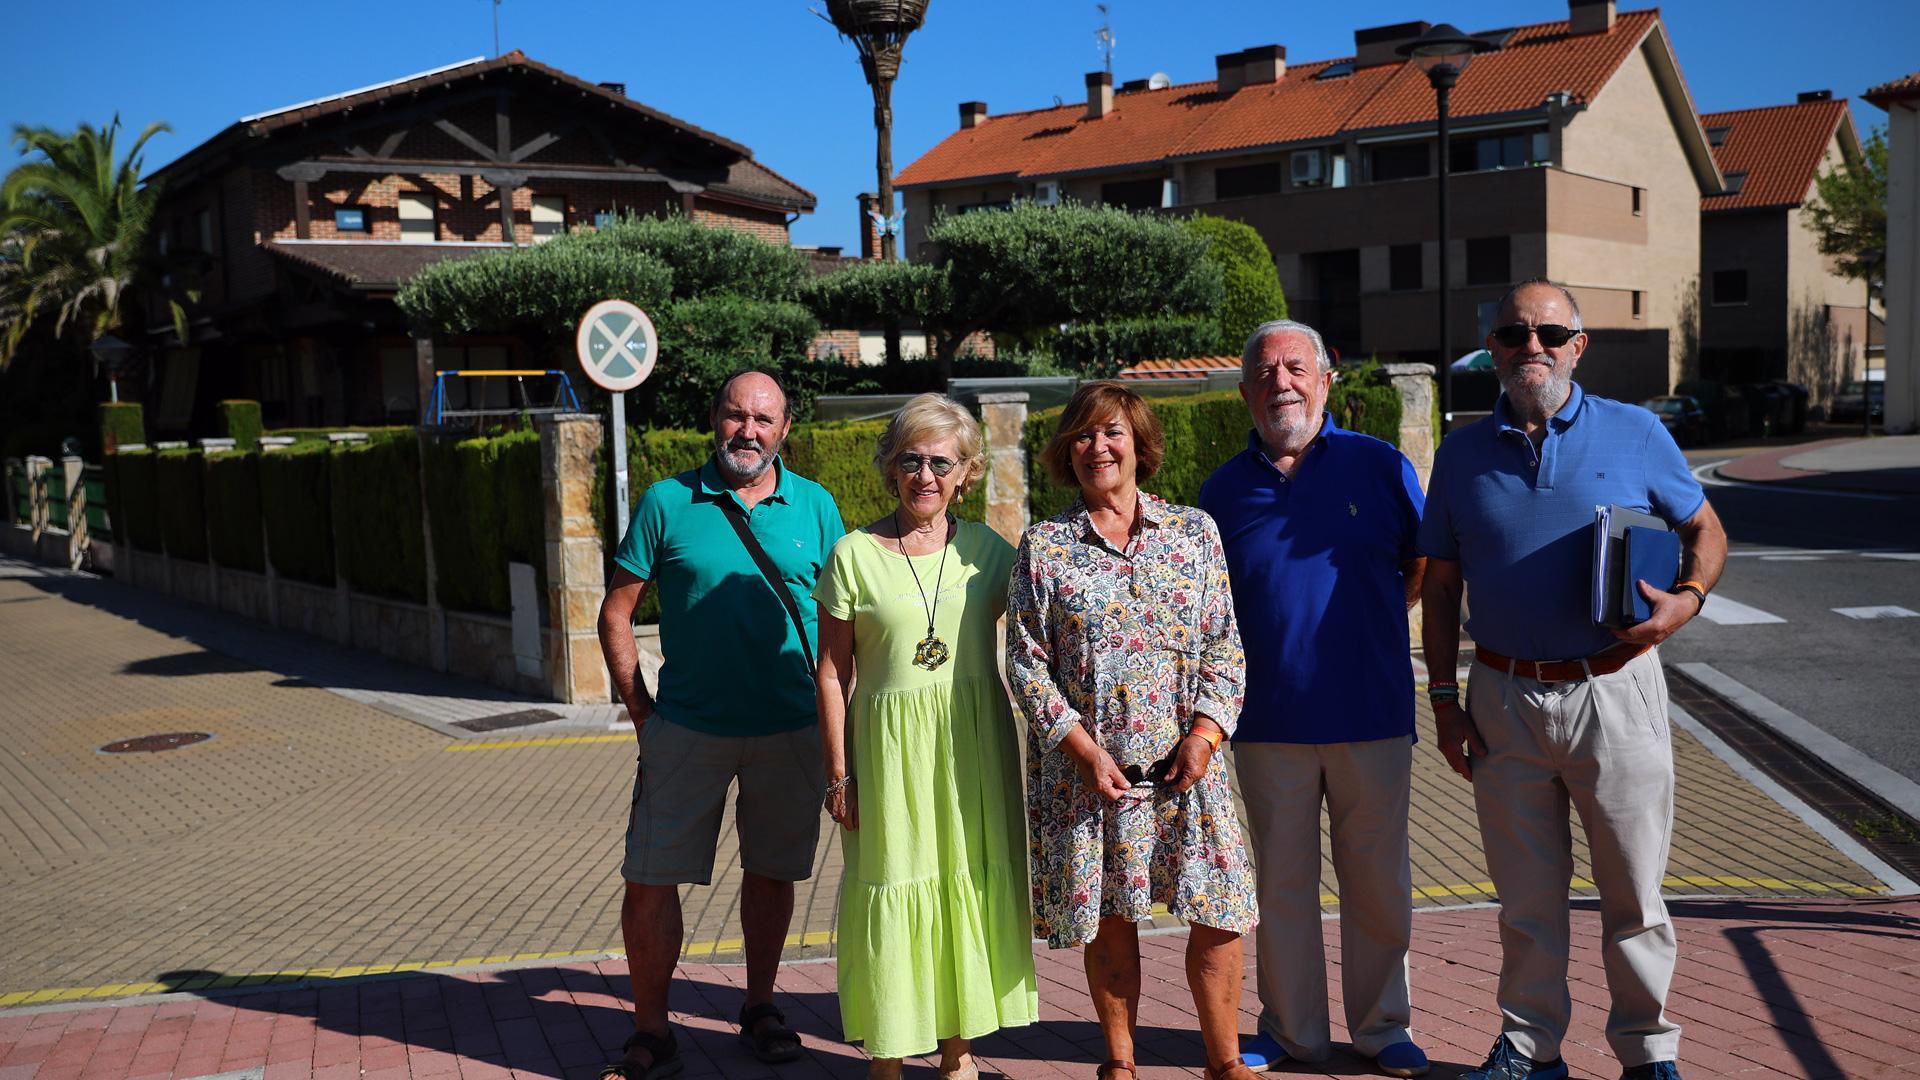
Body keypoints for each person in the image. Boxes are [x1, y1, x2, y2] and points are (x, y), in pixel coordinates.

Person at [1419, 280, 1727, 1080]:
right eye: (1515, 334)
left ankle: (1647, 1052)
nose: (1533, 348)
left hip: (1614, 690)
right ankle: (1530, 1047)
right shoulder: (1460, 454)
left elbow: (1706, 528)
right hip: (1502, 695)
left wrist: (1684, 604)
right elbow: (1443, 585)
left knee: (1634, 895)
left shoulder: (1636, 431)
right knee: (1526, 902)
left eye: (1551, 334)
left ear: (1578, 345)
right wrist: (1445, 702)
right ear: (1493, 349)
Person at [1006, 380, 1261, 1080]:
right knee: (1113, 918)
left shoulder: (1193, 533)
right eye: (1083, 435)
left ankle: (1224, 1061)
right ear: (1067, 451)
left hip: (1187, 770)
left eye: (1112, 432)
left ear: (1139, 443)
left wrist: (1205, 736)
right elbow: (1026, 667)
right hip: (1091, 776)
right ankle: (1120, 1062)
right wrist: (1084, 751)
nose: (1098, 447)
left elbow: (1225, 648)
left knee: (1221, 908)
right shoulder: (1045, 546)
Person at [595, 370, 845, 1080]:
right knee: (649, 879)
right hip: (687, 728)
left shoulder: (818, 507)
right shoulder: (668, 501)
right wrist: (641, 713)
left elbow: (844, 623)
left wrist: (841, 724)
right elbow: (618, 614)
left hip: (791, 727)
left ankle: (760, 1005)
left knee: (772, 873)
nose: (749, 431)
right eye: (736, 415)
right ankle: (652, 1031)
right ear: (714, 419)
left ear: (785, 430)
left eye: (764, 419)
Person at [1198, 321, 1431, 1079]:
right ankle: (1292, 1031)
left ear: (1327, 379)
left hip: (1372, 715)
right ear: (1245, 394)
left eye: (1296, 369)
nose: (1281, 384)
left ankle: (1382, 1027)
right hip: (1266, 724)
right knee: (1281, 887)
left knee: (1378, 885)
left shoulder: (1383, 467)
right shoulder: (1222, 491)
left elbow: (1418, 569)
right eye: (1264, 375)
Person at [812, 393, 1039, 1080]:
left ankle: (957, 1051)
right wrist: (839, 773)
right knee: (891, 883)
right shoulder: (853, 555)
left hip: (973, 751)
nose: (925, 475)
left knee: (960, 887)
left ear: (967, 471)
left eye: (941, 461)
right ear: (889, 467)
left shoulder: (989, 554)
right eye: (910, 459)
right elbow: (829, 673)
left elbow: (1047, 631)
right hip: (886, 754)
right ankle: (887, 1051)